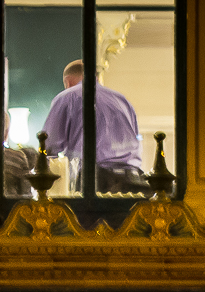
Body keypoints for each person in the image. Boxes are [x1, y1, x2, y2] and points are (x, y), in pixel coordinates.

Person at [39, 59, 150, 194]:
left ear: (68, 81)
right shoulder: (122, 100)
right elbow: (136, 139)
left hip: (96, 179)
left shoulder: (68, 96)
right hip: (133, 179)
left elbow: (48, 147)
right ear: (96, 78)